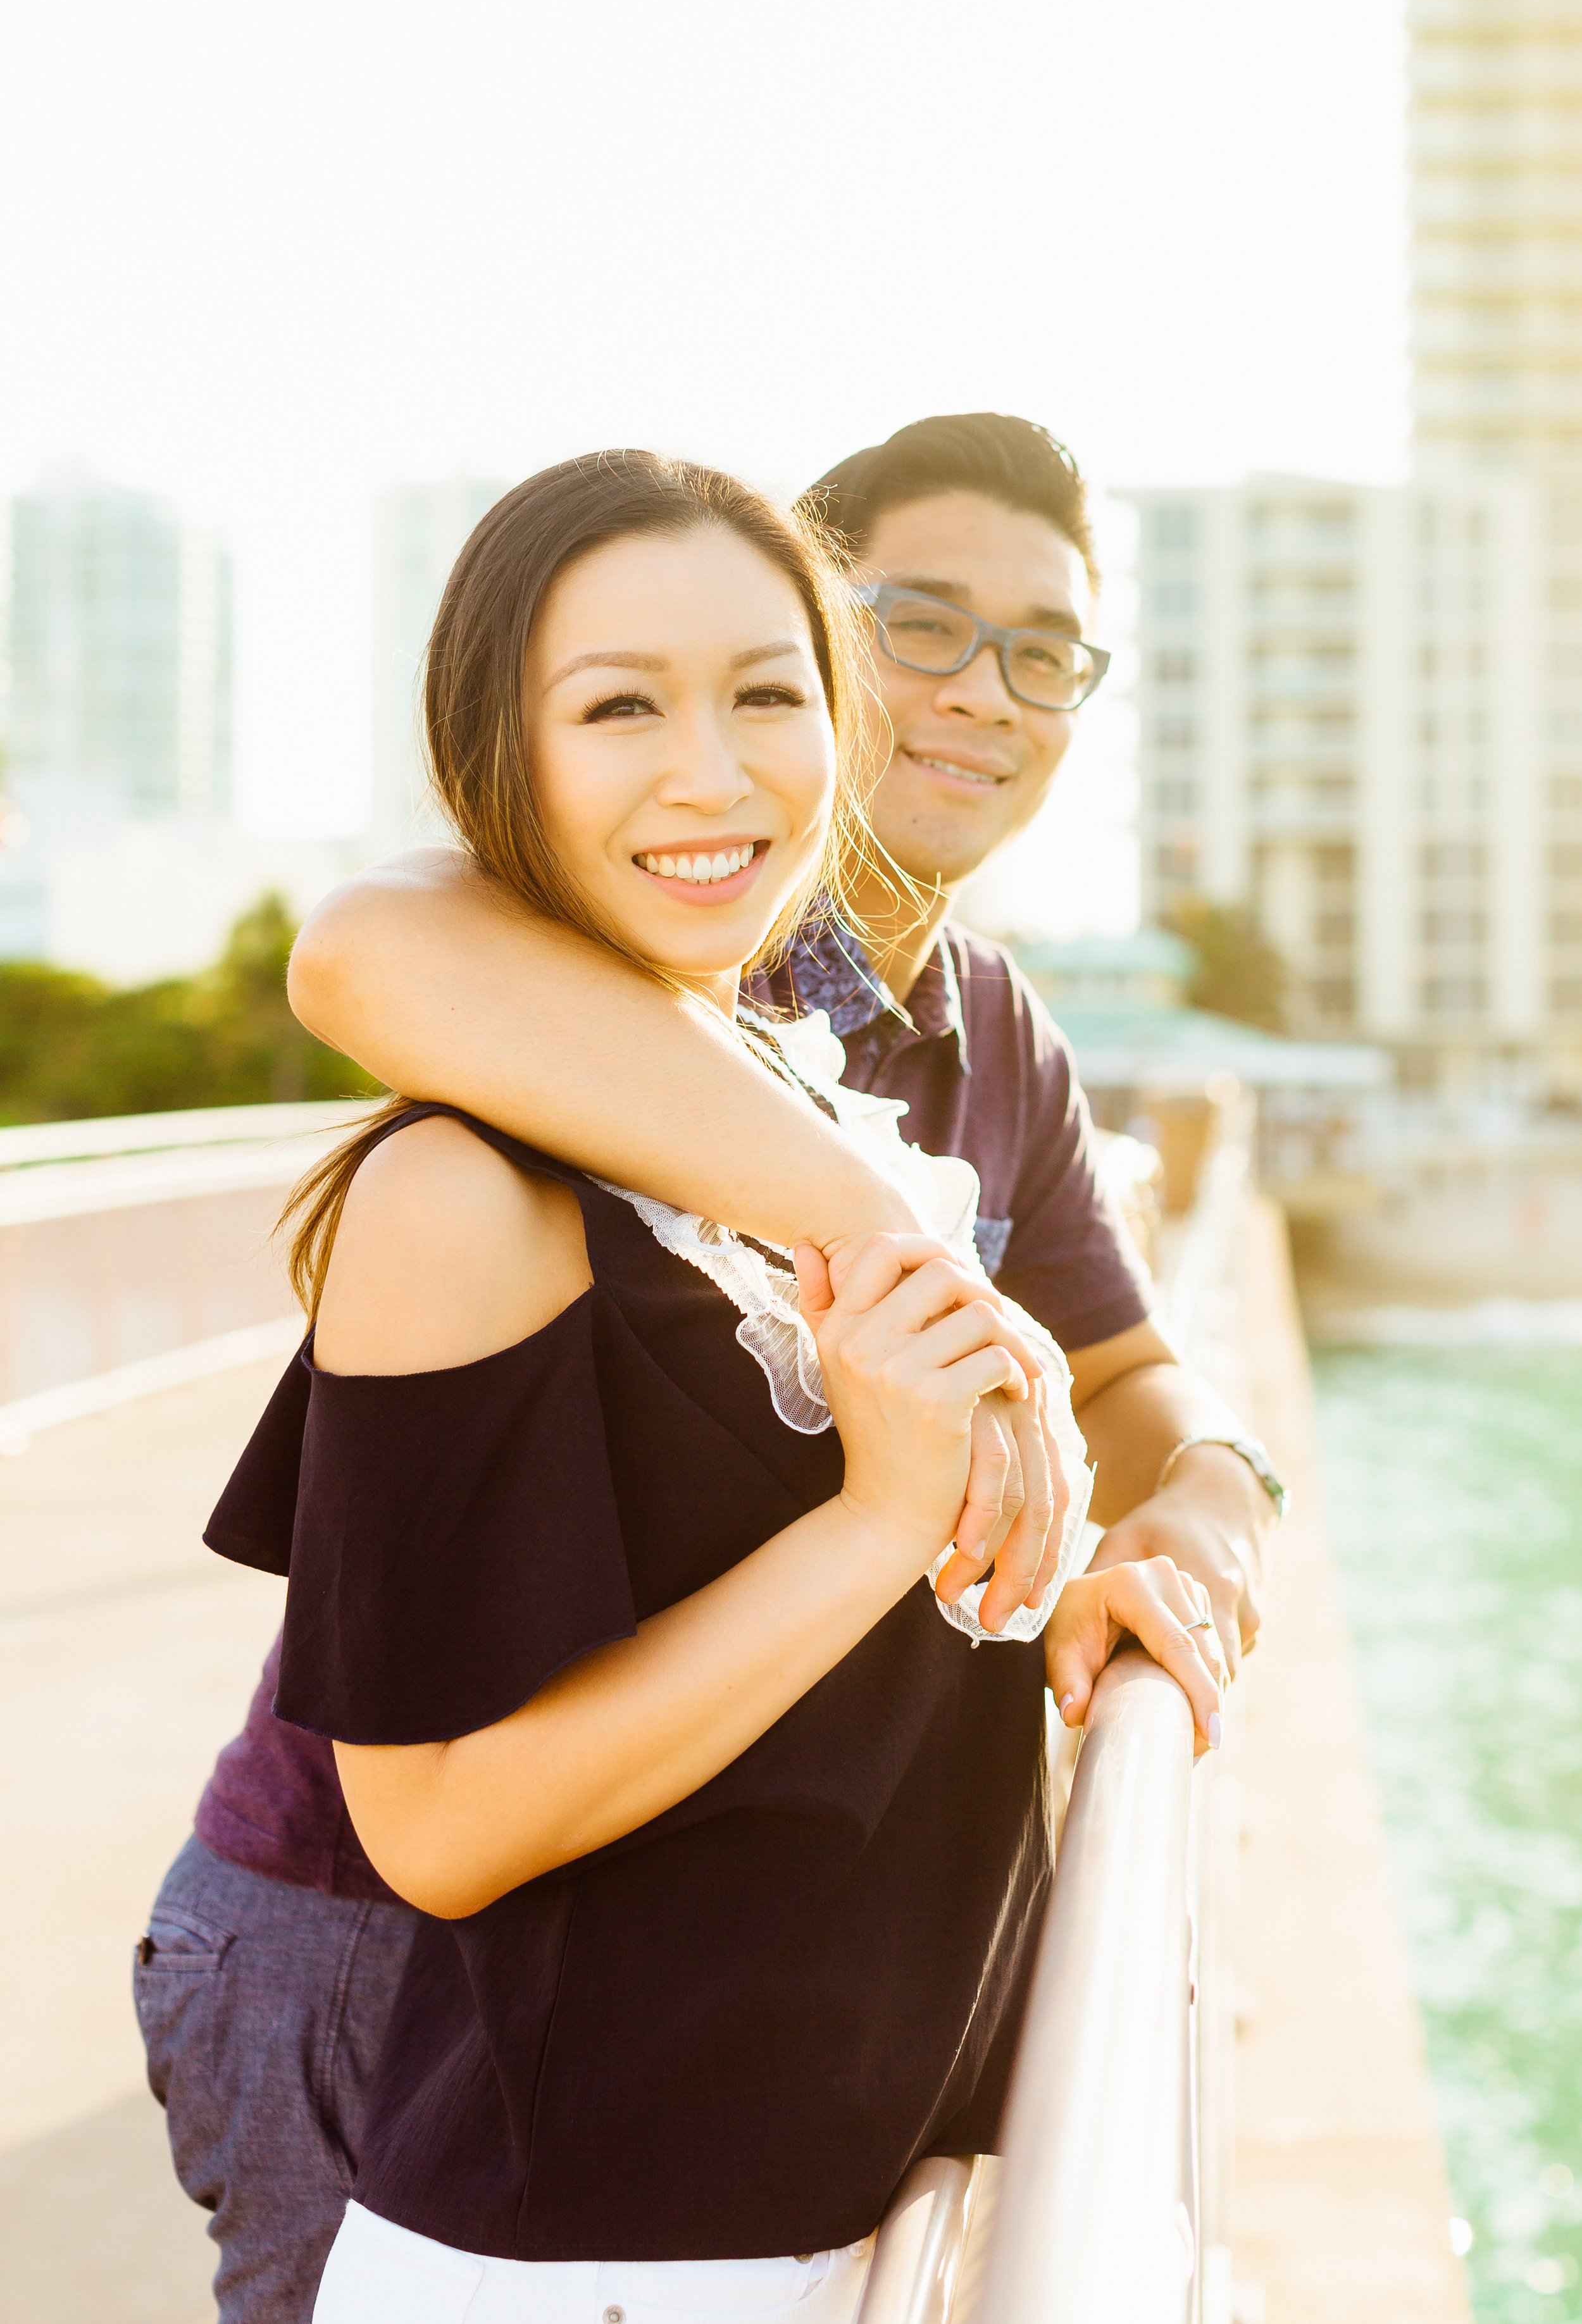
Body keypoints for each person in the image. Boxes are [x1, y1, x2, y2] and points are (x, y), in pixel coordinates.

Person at [134, 418, 1281, 2322]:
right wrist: (901, 1288)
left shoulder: (970, 1028)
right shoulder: (585, 960)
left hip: (733, 2036)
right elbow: (360, 958)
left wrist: (1211, 1501)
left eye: (1044, 651)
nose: (980, 694)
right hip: (386, 1942)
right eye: (920, 621)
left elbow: (1132, 1363)